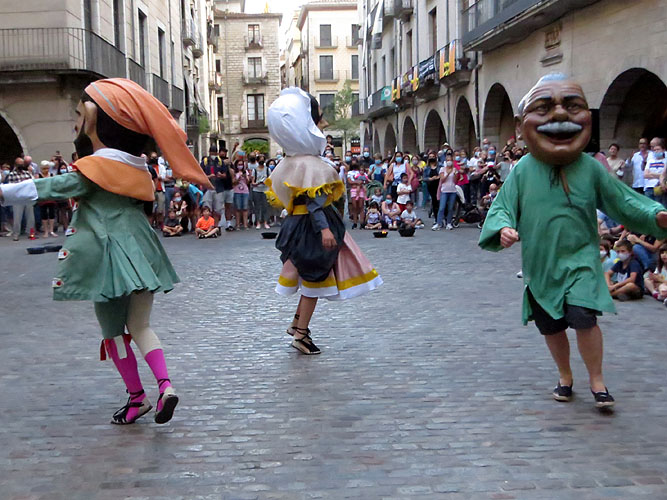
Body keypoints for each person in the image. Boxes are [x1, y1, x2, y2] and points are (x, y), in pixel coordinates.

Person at [0, 78, 213, 424]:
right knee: (141, 325)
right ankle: (165, 386)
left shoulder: (96, 168)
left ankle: (137, 398)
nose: (75, 121)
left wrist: (4, 192)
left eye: (78, 113)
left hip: (109, 257)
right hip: (142, 253)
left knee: (114, 333)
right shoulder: (137, 167)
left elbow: (52, 186)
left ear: (93, 116)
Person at [479, 73, 667, 410]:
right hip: (541, 263)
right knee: (550, 325)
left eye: (572, 106)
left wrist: (656, 215)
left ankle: (597, 381)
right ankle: (565, 376)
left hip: (581, 259)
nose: (560, 115)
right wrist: (503, 228)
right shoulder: (522, 169)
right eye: (544, 108)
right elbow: (502, 208)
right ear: (521, 126)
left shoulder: (590, 168)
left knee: (583, 317)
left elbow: (624, 201)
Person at [265, 88, 382, 355]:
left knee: (311, 279)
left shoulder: (289, 162)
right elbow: (314, 203)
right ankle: (301, 334)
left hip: (298, 227)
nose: (324, 125)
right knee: (315, 281)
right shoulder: (312, 165)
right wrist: (325, 230)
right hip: (313, 230)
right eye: (319, 120)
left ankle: (298, 325)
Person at [4, 157, 35, 241]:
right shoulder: (11, 174)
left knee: (31, 218)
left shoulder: (27, 173)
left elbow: (32, 183)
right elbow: (11, 186)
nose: (21, 165)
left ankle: (31, 233)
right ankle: (16, 234)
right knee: (17, 217)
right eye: (19, 164)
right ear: (16, 165)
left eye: (22, 164)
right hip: (17, 198)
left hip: (27, 197)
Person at [435, 158, 460, 231]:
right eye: (448, 160)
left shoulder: (455, 170)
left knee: (451, 208)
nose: (449, 162)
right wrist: (448, 173)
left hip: (452, 190)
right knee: (442, 207)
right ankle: (438, 223)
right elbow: (442, 179)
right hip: (444, 190)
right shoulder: (442, 169)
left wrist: (455, 175)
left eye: (450, 160)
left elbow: (455, 181)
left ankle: (449, 223)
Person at [644, 137, 666, 205]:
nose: (656, 151)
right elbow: (645, 175)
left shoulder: (665, 161)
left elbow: (665, 174)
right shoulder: (650, 161)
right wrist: (659, 175)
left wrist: (652, 174)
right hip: (649, 188)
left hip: (660, 188)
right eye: (654, 150)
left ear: (663, 150)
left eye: (658, 149)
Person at [250, 156, 271, 229]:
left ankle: (265, 222)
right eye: (260, 160)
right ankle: (258, 222)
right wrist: (256, 183)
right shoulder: (254, 170)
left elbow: (270, 180)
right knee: (257, 206)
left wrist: (266, 182)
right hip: (257, 189)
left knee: (266, 206)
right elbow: (252, 181)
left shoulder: (267, 169)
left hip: (265, 189)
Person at [423, 153, 440, 219]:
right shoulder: (426, 168)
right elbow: (424, 178)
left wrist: (438, 177)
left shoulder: (440, 166)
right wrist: (430, 179)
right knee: (434, 201)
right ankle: (436, 217)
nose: (432, 158)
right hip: (431, 186)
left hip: (439, 185)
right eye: (430, 157)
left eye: (433, 156)